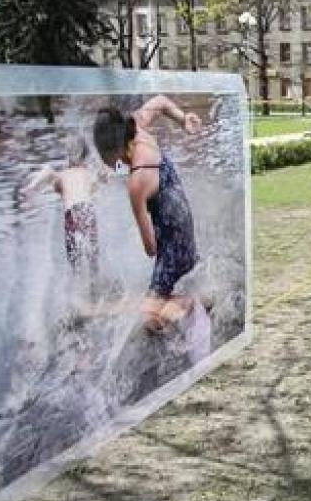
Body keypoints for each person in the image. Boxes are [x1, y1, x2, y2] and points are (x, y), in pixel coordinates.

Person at [92, 95, 202, 332]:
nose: (103, 161)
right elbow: (160, 102)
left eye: (103, 157)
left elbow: (150, 248)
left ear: (114, 151)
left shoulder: (137, 182)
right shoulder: (135, 126)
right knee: (157, 296)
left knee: (148, 320)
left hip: (174, 242)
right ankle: (180, 298)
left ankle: (193, 304)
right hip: (183, 219)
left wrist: (139, 226)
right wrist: (183, 119)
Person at [21, 135, 103, 277]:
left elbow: (54, 182)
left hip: (72, 214)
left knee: (74, 259)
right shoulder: (89, 173)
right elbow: (99, 183)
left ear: (68, 157)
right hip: (87, 211)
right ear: (85, 157)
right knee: (93, 257)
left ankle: (77, 282)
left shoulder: (62, 174)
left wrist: (32, 189)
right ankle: (94, 283)